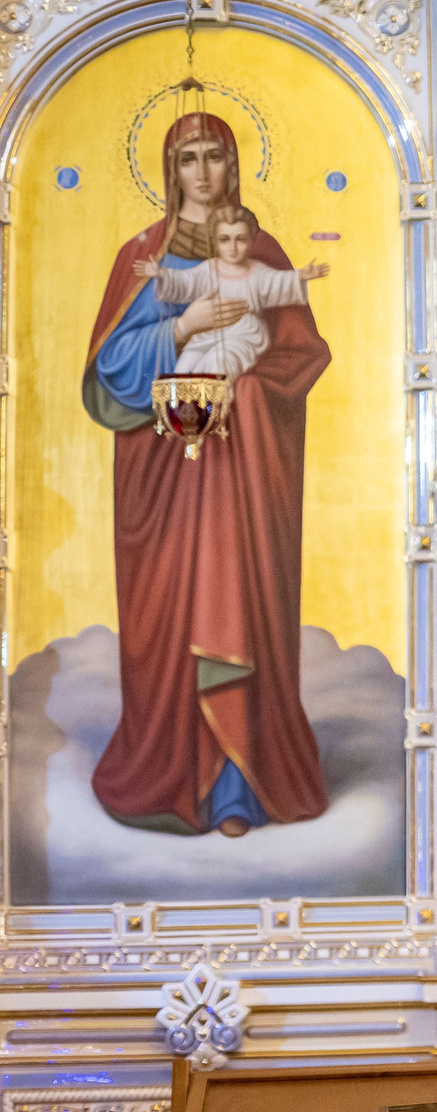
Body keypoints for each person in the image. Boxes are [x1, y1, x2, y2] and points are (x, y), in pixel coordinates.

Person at [83, 112, 331, 837]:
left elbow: (300, 354)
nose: (200, 171)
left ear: (233, 166)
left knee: (240, 602)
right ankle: (171, 771)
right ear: (170, 169)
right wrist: (183, 331)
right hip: (167, 473)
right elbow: (108, 372)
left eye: (214, 156)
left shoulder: (265, 253)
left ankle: (235, 789)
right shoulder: (144, 254)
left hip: (246, 478)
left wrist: (247, 392)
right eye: (187, 157)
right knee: (172, 610)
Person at [133, 202, 330, 378]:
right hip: (207, 333)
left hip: (243, 336)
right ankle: (185, 418)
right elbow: (185, 282)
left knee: (216, 363)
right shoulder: (209, 269)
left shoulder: (257, 272)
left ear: (251, 240)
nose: (232, 247)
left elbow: (277, 282)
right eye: (225, 240)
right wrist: (160, 274)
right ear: (215, 241)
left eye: (240, 239)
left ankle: (214, 416)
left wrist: (301, 276)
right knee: (182, 370)